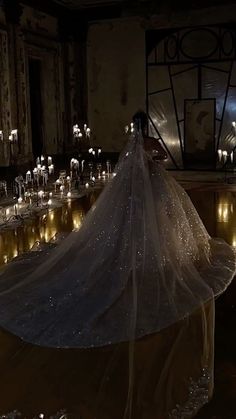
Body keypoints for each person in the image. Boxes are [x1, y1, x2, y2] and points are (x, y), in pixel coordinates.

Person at [0, 111, 235, 418]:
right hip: (151, 192)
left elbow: (127, 171)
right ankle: (145, 258)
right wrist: (154, 162)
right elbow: (162, 157)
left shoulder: (129, 147)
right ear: (145, 127)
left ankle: (136, 255)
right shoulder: (148, 143)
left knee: (131, 230)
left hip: (135, 196)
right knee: (151, 230)